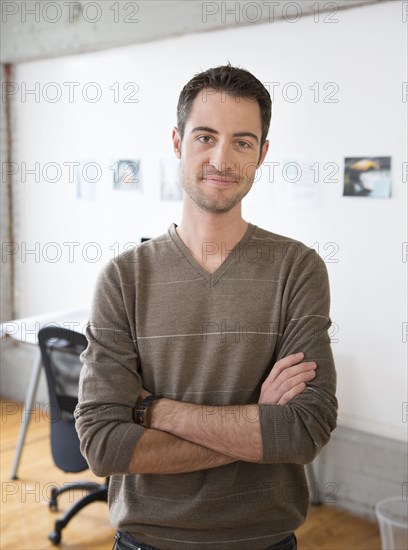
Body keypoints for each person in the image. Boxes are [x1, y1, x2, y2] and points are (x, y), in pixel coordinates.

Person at [75, 64, 337, 550]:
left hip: (265, 540)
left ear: (262, 154)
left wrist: (154, 409)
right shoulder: (123, 277)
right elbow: (102, 444)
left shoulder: (297, 268)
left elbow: (303, 430)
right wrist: (256, 421)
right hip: (146, 541)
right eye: (205, 137)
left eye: (242, 142)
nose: (221, 158)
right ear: (177, 143)